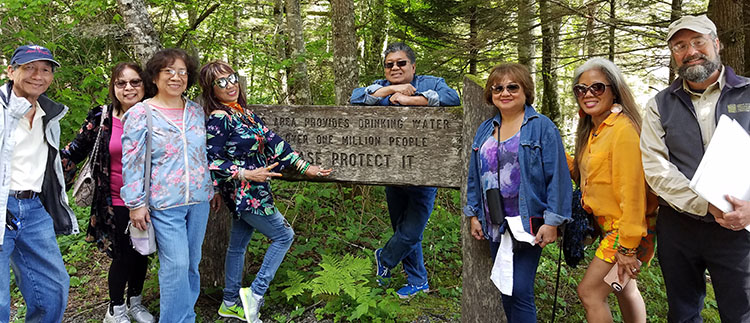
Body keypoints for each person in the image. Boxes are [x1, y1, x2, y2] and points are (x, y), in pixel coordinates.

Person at [200, 60, 332, 323]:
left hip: (256, 190)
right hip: (244, 194)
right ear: (211, 90)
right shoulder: (219, 118)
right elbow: (212, 159)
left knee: (237, 246)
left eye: (232, 78)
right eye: (221, 82)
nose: (230, 85)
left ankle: (228, 302)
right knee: (284, 236)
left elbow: (273, 142)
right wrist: (245, 174)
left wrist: (305, 167)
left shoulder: (243, 113)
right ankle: (256, 294)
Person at [640, 14, 750, 322]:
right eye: (680, 45)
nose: (690, 51)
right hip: (679, 226)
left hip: (739, 227)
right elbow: (655, 168)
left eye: (699, 41)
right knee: (682, 313)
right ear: (673, 54)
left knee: (741, 314)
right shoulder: (658, 105)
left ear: (716, 44)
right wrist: (705, 203)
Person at [350, 42, 460, 298]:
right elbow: (356, 98)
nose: (395, 67)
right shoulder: (381, 84)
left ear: (412, 65)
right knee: (403, 229)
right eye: (390, 64)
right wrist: (390, 89)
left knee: (411, 232)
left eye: (401, 63)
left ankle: (385, 259)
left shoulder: (431, 83)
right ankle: (418, 281)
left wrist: (414, 99)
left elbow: (453, 97)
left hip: (424, 175)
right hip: (391, 172)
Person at [463, 63, 571, 322]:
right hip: (494, 222)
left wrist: (553, 221)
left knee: (520, 288)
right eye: (498, 88)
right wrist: (473, 214)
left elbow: (558, 176)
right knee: (506, 288)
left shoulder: (541, 127)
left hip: (527, 223)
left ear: (526, 91)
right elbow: (474, 176)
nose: (505, 92)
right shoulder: (485, 130)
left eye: (513, 86)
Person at [120, 48, 213, 322]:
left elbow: (204, 154)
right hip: (164, 203)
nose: (176, 77)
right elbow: (132, 162)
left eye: (182, 72)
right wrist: (135, 204)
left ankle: (187, 316)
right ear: (155, 77)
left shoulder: (196, 111)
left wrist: (214, 189)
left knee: (192, 266)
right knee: (176, 266)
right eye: (169, 72)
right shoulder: (141, 113)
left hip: (199, 200)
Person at [61, 62, 154, 323]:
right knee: (123, 254)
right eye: (121, 83)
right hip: (114, 198)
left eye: (135, 82)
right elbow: (73, 152)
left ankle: (135, 302)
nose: (128, 88)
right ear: (113, 87)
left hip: (149, 198)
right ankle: (116, 309)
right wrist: (46, 174)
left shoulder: (153, 114)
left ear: (144, 85)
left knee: (141, 251)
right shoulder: (102, 117)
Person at [568, 58, 657, 323]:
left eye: (597, 87)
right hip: (611, 227)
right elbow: (587, 179)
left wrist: (628, 248)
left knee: (590, 293)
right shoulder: (595, 130)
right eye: (581, 89)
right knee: (625, 288)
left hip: (627, 230)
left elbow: (633, 192)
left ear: (614, 90)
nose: (588, 94)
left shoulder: (624, 130)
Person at [0, 44, 79, 322]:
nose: (38, 75)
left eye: (45, 69)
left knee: (52, 288)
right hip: (2, 204)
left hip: (34, 210)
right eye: (29, 67)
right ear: (11, 71)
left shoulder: (49, 114)